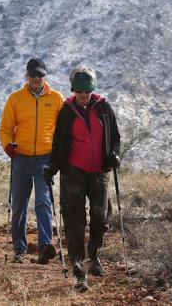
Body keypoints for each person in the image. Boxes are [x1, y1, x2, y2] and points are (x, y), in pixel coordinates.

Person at [43, 64, 121, 292]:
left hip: (99, 171)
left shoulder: (104, 109)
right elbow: (58, 143)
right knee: (74, 220)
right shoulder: (66, 112)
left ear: (92, 90)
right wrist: (54, 165)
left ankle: (94, 256)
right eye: (79, 93)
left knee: (99, 216)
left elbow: (115, 138)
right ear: (73, 91)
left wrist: (114, 154)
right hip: (73, 172)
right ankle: (78, 268)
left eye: (86, 92)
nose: (83, 97)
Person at [0, 57, 65, 264]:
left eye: (40, 75)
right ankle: (19, 249)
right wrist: (8, 145)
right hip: (21, 157)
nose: (36, 79)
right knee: (19, 204)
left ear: (44, 76)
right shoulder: (15, 99)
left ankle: (45, 246)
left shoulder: (56, 99)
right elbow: (6, 129)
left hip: (45, 158)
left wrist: (58, 156)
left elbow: (62, 131)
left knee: (43, 201)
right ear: (26, 75)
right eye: (33, 75)